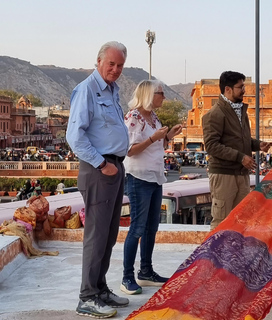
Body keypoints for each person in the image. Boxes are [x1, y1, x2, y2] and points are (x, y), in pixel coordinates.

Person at [66, 41, 129, 318]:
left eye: (120, 66)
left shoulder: (112, 91)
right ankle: (87, 296)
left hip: (114, 168)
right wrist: (102, 164)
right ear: (99, 61)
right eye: (111, 64)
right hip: (99, 170)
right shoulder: (87, 90)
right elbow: (75, 137)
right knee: (96, 236)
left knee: (109, 235)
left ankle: (100, 289)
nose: (115, 70)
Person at [121, 80, 182, 295]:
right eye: (160, 94)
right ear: (149, 94)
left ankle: (145, 271)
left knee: (151, 228)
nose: (163, 97)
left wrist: (167, 137)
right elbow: (129, 150)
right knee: (137, 227)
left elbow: (156, 143)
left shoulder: (153, 117)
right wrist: (154, 138)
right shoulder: (133, 118)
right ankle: (127, 276)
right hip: (139, 177)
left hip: (155, 177)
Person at [202, 71, 271, 230]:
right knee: (221, 221)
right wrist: (240, 157)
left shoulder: (241, 112)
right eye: (240, 87)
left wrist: (258, 145)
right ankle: (215, 255)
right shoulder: (215, 114)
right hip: (224, 175)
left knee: (241, 220)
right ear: (228, 89)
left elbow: (240, 139)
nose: (244, 90)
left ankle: (233, 255)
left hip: (241, 173)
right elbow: (212, 146)